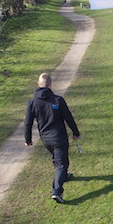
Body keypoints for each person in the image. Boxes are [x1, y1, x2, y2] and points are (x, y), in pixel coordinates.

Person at [24, 73, 80, 203]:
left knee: (57, 158)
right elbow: (68, 118)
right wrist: (76, 133)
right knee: (62, 164)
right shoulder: (58, 100)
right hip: (59, 138)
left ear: (38, 84)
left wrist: (28, 139)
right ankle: (57, 192)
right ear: (50, 85)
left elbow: (28, 123)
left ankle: (64, 175)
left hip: (46, 139)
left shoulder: (32, 102)